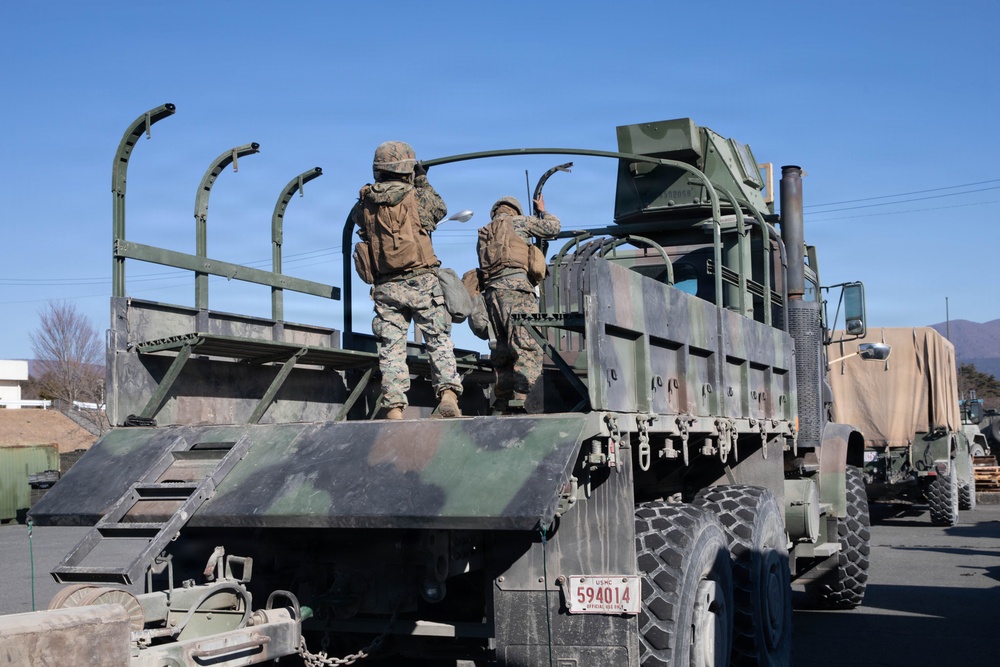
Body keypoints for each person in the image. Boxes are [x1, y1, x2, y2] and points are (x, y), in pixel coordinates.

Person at [350, 141, 462, 419]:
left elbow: (358, 220)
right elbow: (439, 208)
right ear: (407, 169)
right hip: (421, 280)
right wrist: (423, 180)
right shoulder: (417, 196)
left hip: (386, 286)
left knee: (391, 348)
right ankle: (447, 395)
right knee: (438, 339)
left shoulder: (364, 202)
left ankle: (395, 409)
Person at [477, 194, 561, 414]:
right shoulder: (518, 222)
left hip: (492, 295)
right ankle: (525, 396)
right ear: (515, 210)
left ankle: (503, 399)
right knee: (527, 344)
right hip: (517, 290)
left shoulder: (484, 232)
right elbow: (553, 228)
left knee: (501, 348)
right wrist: (543, 211)